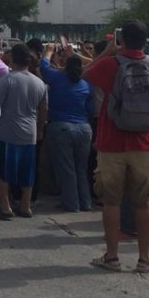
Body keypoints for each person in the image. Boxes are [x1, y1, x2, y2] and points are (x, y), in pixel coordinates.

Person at [84, 20, 149, 273]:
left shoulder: (110, 64)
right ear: (145, 41)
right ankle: (144, 259)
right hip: (145, 142)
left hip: (112, 143)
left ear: (122, 40)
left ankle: (112, 257)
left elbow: (87, 74)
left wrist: (108, 51)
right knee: (143, 204)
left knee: (111, 202)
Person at [0, 44, 48, 220]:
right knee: (27, 171)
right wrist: (39, 131)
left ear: (12, 59)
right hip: (30, 132)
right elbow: (43, 109)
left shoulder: (8, 80)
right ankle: (25, 205)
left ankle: (5, 207)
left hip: (8, 132)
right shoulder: (39, 83)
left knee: (4, 172)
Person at [40, 44, 94, 213]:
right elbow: (91, 109)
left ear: (65, 66)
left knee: (66, 168)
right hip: (84, 128)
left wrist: (48, 52)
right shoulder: (86, 85)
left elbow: (44, 67)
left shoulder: (57, 78)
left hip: (61, 126)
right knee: (81, 168)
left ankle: (71, 203)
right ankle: (85, 202)